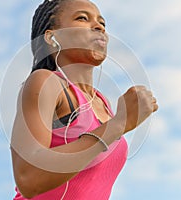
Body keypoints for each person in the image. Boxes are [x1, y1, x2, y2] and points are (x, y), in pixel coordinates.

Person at [10, 0, 158, 199]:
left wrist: (118, 121)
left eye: (102, 23)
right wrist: (119, 123)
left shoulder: (102, 103)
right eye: (82, 18)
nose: (98, 27)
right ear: (52, 37)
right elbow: (29, 178)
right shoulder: (46, 82)